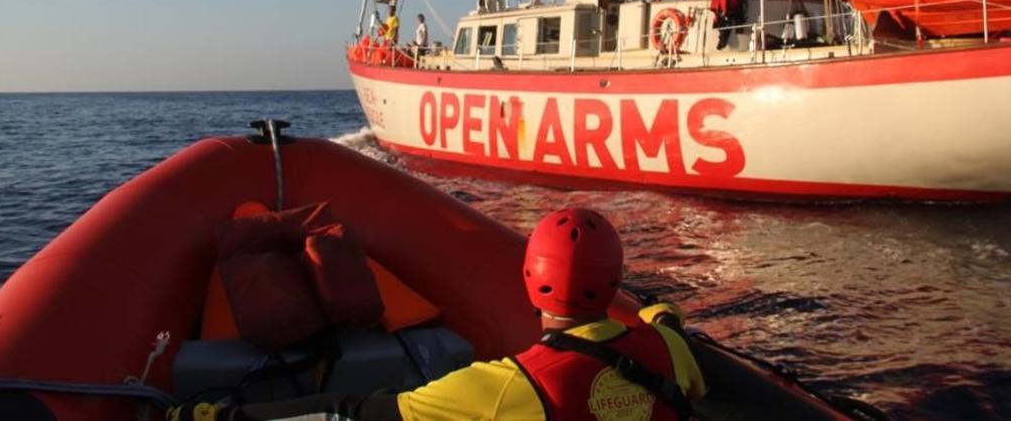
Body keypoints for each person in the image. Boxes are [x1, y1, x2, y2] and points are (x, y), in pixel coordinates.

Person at [180, 208, 706, 421]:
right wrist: (661, 316)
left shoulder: (511, 387)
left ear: (529, 279)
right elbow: (668, 333)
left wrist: (219, 415)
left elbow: (359, 413)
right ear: (614, 283)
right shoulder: (670, 349)